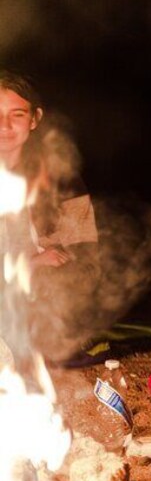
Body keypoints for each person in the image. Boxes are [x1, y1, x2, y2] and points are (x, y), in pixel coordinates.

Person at [0, 70, 99, 360]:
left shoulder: (60, 180)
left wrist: (43, 270)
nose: (4, 125)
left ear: (35, 119)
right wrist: (27, 262)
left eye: (16, 114)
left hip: (39, 302)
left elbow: (86, 259)